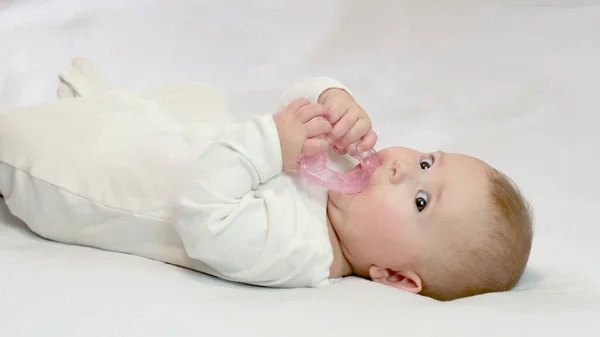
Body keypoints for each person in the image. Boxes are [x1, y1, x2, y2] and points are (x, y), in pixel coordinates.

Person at [0, 58, 533, 301]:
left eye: (420, 199)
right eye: (427, 161)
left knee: (42, 152)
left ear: (394, 276)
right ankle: (106, 108)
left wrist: (273, 145)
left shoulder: (297, 251)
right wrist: (331, 100)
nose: (402, 166)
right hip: (183, 140)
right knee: (199, 99)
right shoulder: (348, 183)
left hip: (125, 186)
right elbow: (292, 104)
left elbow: (201, 214)